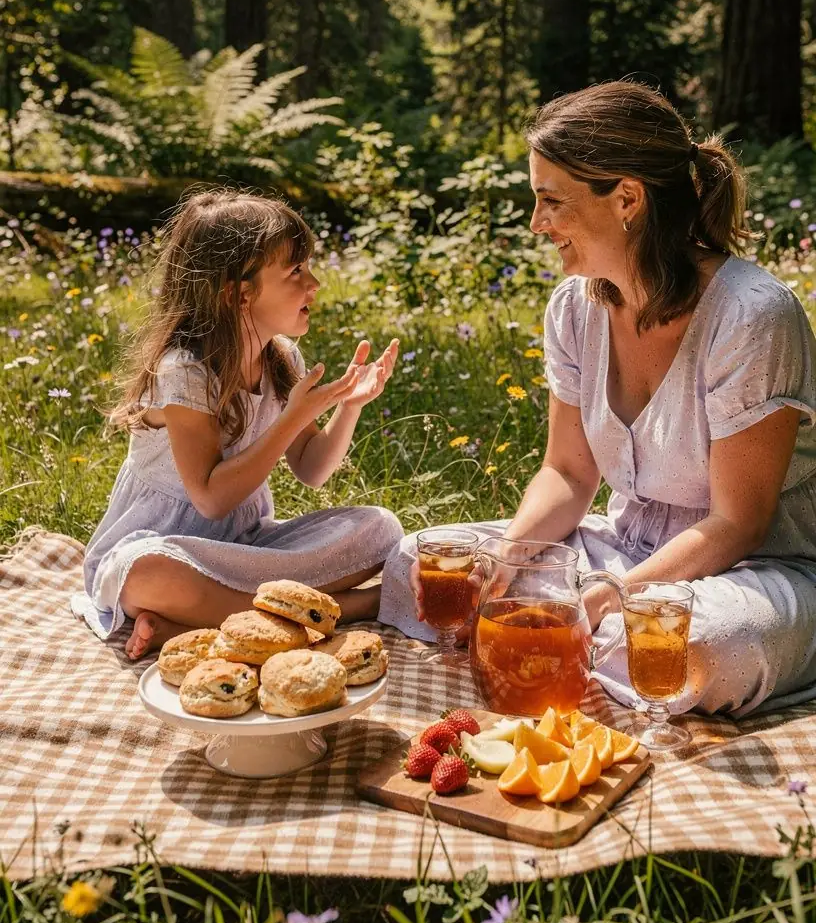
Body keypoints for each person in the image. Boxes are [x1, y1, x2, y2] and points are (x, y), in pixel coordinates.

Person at [380, 80, 816, 717]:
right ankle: (578, 643)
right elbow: (568, 471)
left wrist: (610, 593)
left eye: (550, 201)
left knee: (702, 647)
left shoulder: (752, 316)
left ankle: (582, 643)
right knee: (417, 564)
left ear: (628, 199)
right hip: (622, 545)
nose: (537, 224)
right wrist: (503, 563)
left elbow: (736, 523)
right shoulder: (574, 308)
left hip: (755, 573)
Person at [73, 189, 403, 660]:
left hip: (243, 546)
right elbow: (210, 498)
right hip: (164, 548)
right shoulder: (184, 372)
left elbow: (312, 470)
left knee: (379, 528)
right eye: (296, 271)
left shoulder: (280, 357)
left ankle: (191, 622)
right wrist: (291, 420)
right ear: (239, 293)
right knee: (145, 571)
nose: (314, 283)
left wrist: (351, 406)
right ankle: (344, 608)